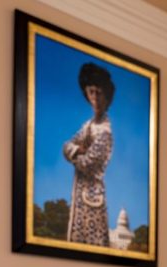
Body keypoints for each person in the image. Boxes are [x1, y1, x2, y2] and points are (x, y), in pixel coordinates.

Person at [62, 62, 115, 247]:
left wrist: (75, 154)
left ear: (107, 97)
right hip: (79, 201)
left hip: (93, 201)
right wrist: (77, 150)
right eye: (91, 92)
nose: (95, 98)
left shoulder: (105, 132)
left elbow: (88, 163)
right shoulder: (88, 126)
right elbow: (66, 146)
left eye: (99, 93)